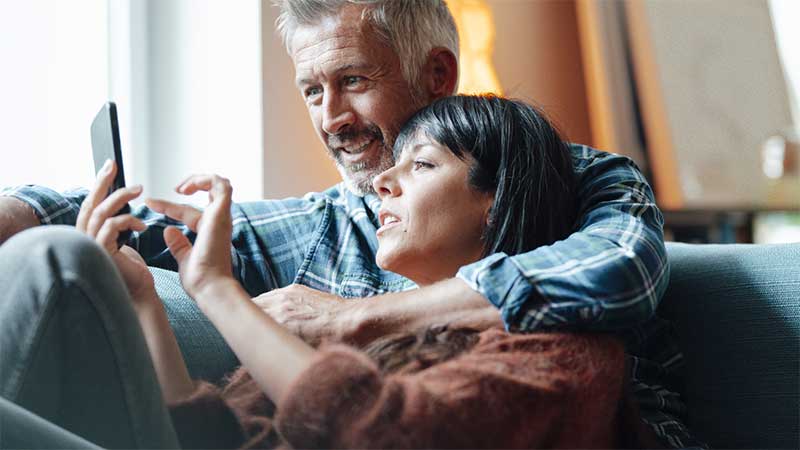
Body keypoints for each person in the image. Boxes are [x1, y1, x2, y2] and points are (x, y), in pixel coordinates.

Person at [0, 0, 696, 447]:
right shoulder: (340, 218)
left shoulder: (573, 189)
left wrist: (343, 319)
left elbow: (616, 274)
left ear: (436, 74)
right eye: (312, 90)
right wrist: (146, 292)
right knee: (58, 255)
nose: (329, 119)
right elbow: (213, 431)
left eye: (353, 80)